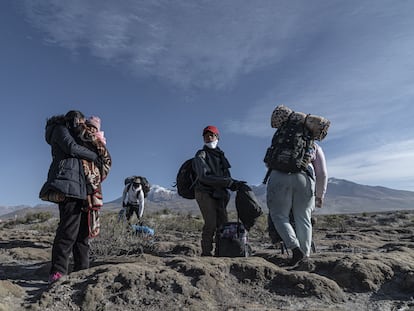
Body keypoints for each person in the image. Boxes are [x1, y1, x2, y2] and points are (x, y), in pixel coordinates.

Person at [39, 110, 106, 284]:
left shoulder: (75, 133)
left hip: (82, 188)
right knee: (68, 230)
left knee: (83, 233)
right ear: (73, 119)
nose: (81, 124)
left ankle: (82, 271)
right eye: (80, 121)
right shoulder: (59, 129)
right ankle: (57, 272)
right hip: (67, 184)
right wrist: (94, 156)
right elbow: (71, 147)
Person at [267, 142, 327, 265]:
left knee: (279, 216)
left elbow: (269, 163)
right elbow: (322, 173)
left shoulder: (280, 141)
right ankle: (305, 257)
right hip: (304, 177)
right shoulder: (314, 146)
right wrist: (320, 195)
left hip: (278, 176)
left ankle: (295, 249)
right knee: (304, 217)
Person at [192, 125, 245, 256]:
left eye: (211, 135)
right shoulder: (201, 154)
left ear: (217, 137)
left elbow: (226, 176)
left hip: (219, 193)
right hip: (204, 192)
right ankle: (206, 253)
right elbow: (204, 176)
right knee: (211, 222)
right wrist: (227, 182)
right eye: (206, 136)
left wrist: (233, 183)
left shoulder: (221, 156)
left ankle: (221, 252)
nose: (208, 138)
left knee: (223, 223)